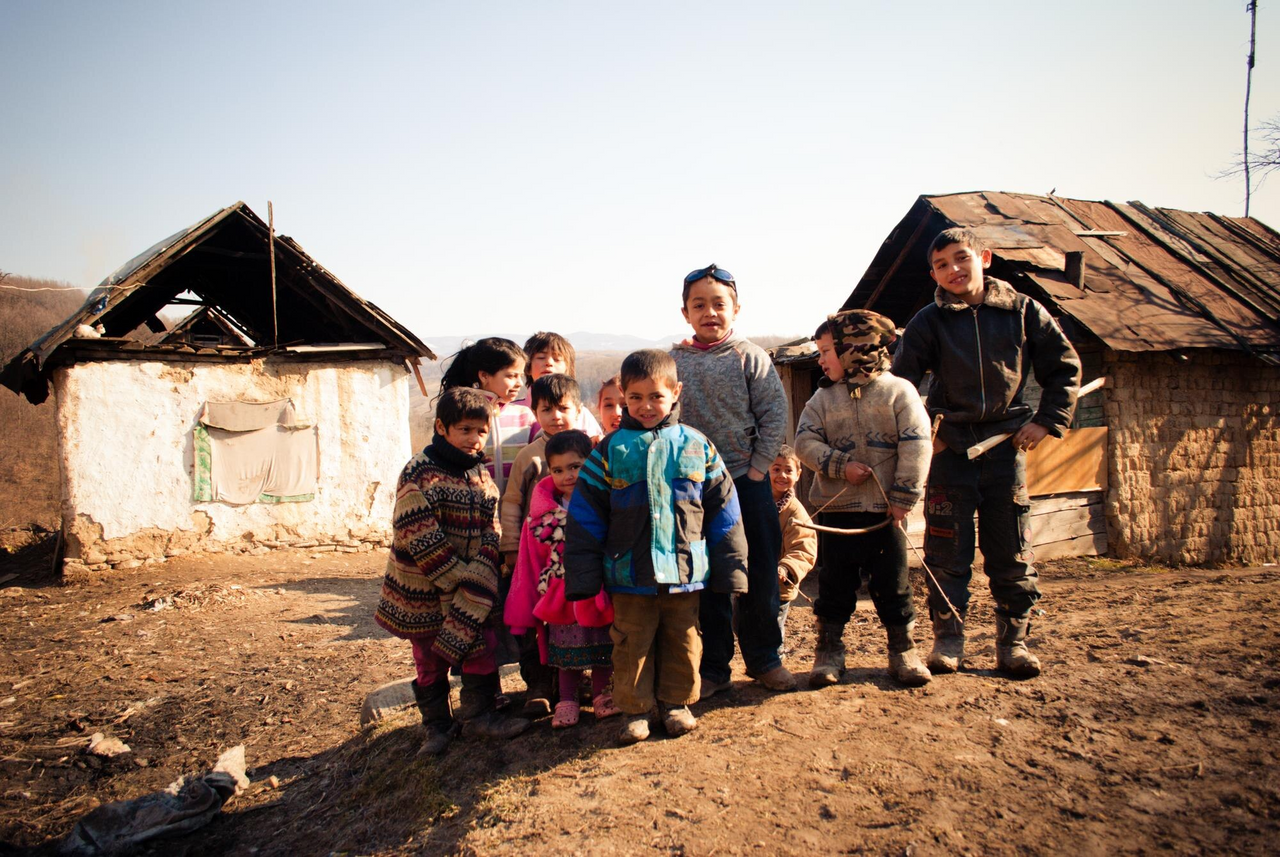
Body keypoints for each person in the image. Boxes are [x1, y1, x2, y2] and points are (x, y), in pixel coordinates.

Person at [892, 227, 1080, 678]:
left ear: (986, 258)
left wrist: (1046, 421)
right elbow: (901, 384)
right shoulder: (928, 322)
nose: (952, 270)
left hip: (1006, 448)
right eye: (941, 265)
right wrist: (926, 432)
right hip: (950, 452)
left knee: (1011, 551)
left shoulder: (1022, 312)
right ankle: (948, 642)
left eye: (961, 259)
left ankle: (1013, 645)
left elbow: (1064, 368)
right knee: (946, 554)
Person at [564, 349, 748, 744]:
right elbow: (584, 518)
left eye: (656, 397)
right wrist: (583, 575)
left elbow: (725, 512)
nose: (646, 407)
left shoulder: (697, 445)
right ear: (623, 396)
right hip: (629, 574)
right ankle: (634, 709)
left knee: (683, 639)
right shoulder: (610, 452)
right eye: (635, 398)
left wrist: (732, 567)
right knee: (632, 643)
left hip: (685, 573)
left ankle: (676, 704)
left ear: (676, 392)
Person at [374, 388, 530, 755]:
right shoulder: (419, 472)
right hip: (425, 589)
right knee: (429, 659)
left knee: (481, 648)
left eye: (481, 430)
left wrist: (483, 566)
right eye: (465, 430)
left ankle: (479, 717)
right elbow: (417, 531)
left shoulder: (479, 473)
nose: (475, 439)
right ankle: (438, 728)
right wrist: (459, 578)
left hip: (471, 587)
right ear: (442, 428)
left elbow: (490, 525)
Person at [670, 264, 793, 696]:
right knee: (706, 579)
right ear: (685, 312)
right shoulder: (674, 362)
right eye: (699, 305)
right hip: (692, 489)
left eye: (719, 303)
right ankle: (714, 670)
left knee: (759, 571)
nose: (710, 312)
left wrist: (758, 468)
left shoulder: (749, 356)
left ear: (736, 308)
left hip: (745, 481)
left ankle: (764, 660)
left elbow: (775, 414)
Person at [794, 310, 933, 687]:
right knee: (834, 585)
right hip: (837, 512)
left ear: (855, 349)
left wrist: (903, 497)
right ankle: (829, 653)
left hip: (885, 512)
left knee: (894, 584)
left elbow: (918, 445)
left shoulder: (899, 392)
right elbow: (804, 442)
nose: (820, 359)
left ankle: (903, 651)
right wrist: (840, 466)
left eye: (826, 350)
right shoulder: (821, 399)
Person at [504, 430, 621, 728]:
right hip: (560, 595)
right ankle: (566, 700)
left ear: (590, 463)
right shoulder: (540, 518)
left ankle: (601, 697)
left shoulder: (604, 506)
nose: (567, 475)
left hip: (597, 590)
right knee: (566, 653)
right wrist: (525, 606)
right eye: (557, 470)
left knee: (601, 648)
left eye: (575, 467)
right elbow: (529, 564)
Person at [499, 373, 584, 715]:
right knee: (536, 619)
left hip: (579, 555)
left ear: (578, 410)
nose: (555, 416)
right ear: (534, 412)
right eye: (546, 409)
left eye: (563, 408)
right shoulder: (530, 457)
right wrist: (509, 548)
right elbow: (512, 502)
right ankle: (538, 683)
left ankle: (582, 680)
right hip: (538, 558)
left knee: (578, 617)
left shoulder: (589, 449)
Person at [438, 337, 535, 495]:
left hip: (519, 514)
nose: (520, 383)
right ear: (484, 376)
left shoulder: (525, 418)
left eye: (521, 376)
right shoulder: (458, 418)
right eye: (511, 376)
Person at [768, 445, 817, 652]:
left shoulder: (796, 512)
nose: (782, 475)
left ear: (798, 474)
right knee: (741, 624)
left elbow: (803, 548)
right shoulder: (755, 503)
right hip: (751, 582)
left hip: (780, 587)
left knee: (772, 629)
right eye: (776, 469)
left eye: (788, 470)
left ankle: (775, 660)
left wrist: (786, 568)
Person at [514, 331, 603, 438]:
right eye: (541, 357)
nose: (549, 363)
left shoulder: (579, 413)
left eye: (557, 359)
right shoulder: (514, 411)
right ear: (527, 366)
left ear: (567, 369)